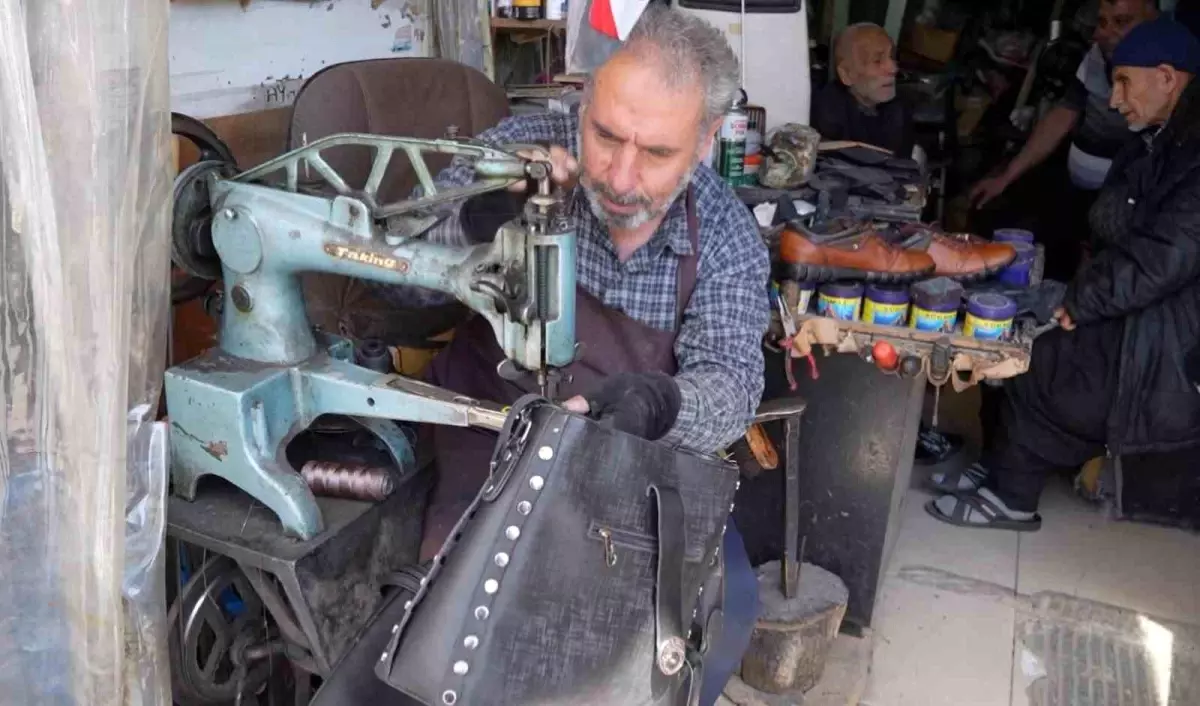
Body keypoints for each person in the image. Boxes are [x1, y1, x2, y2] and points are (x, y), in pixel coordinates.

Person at [371, 6, 769, 704]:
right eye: (605, 135)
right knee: (451, 631)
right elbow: (389, 279)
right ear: (581, 101)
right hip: (485, 432)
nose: (620, 176)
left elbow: (731, 384)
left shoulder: (725, 235)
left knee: (701, 623)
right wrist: (481, 216)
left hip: (626, 464)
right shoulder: (518, 151)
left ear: (706, 140)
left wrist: (658, 403)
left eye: (656, 153)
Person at [928, 17, 1200, 531]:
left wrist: (1081, 300)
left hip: (1171, 341)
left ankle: (1012, 496)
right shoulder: (1160, 138)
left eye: (1124, 83)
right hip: (1138, 307)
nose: (1115, 101)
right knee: (1007, 324)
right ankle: (998, 464)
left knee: (1045, 358)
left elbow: (1163, 258)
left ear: (1167, 77)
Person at [969, 0, 1158, 281]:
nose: (1102, 34)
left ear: (1154, 21)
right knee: (1009, 221)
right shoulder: (1098, 57)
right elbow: (1063, 115)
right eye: (1102, 22)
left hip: (1119, 203)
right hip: (1078, 191)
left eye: (1121, 22)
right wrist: (1005, 177)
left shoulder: (1166, 77)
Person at [811, 22, 913, 157]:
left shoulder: (900, 109)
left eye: (892, 57)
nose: (893, 68)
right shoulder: (826, 115)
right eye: (877, 61)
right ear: (846, 74)